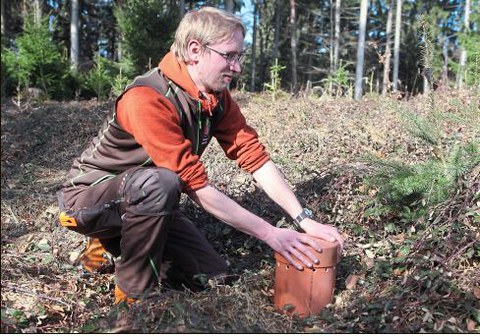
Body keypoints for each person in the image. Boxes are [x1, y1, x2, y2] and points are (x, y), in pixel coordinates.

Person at [57, 6, 344, 305]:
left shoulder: (215, 98)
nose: (237, 67)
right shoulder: (147, 98)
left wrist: (303, 219)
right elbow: (194, 185)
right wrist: (271, 234)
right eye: (229, 55)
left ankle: (114, 241)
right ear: (195, 50)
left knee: (213, 277)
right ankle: (131, 298)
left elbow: (255, 157)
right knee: (162, 183)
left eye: (239, 57)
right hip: (87, 200)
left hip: (147, 200)